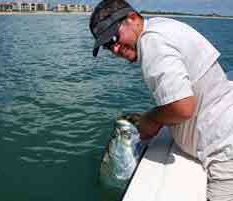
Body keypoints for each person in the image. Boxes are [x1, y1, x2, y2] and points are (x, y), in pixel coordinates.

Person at [89, 0, 233, 200]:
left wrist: (153, 119)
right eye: (107, 46)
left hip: (224, 152)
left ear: (131, 18)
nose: (114, 48)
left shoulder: (151, 42)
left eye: (114, 37)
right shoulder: (160, 27)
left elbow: (183, 108)